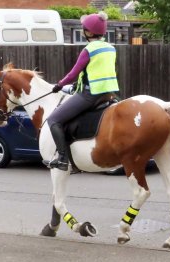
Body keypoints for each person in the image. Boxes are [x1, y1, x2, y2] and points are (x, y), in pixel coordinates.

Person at [46, 11, 119, 171]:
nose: (83, 31)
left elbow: (73, 74)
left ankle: (63, 159)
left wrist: (59, 85)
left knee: (54, 120)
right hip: (109, 93)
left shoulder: (89, 49)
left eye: (84, 29)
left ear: (89, 32)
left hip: (91, 94)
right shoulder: (111, 48)